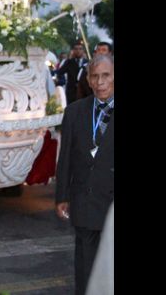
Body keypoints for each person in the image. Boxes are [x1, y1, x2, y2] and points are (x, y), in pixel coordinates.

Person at [55, 54, 114, 295]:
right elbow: (65, 158)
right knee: (85, 268)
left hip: (111, 204)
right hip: (84, 203)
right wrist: (62, 196)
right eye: (95, 76)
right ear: (88, 80)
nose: (100, 82)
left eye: (106, 76)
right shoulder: (75, 112)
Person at [54, 41, 87, 105]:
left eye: (80, 49)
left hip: (84, 93)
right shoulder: (69, 62)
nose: (78, 51)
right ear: (73, 50)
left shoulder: (87, 62)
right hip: (71, 93)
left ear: (83, 50)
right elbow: (59, 72)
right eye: (76, 49)